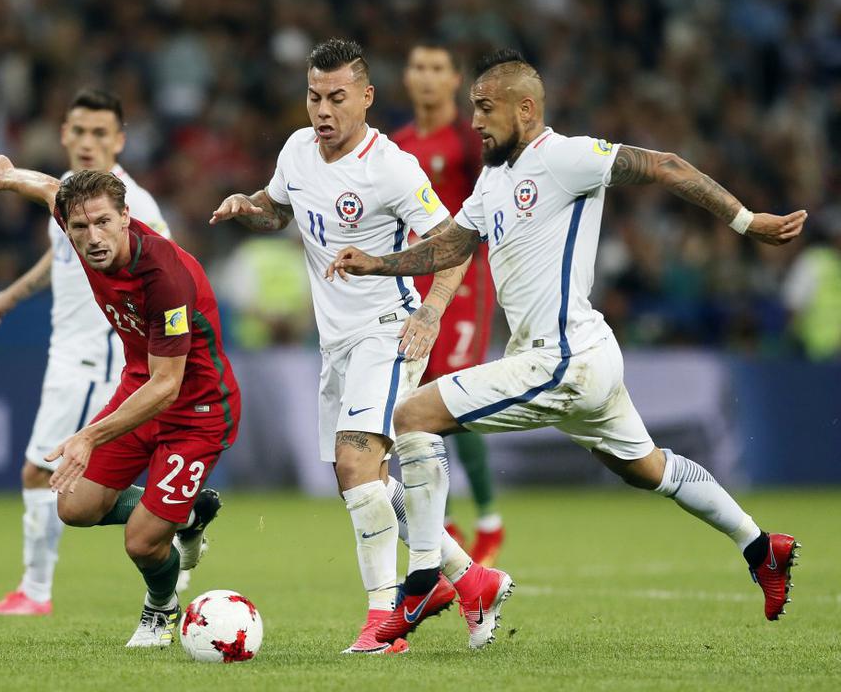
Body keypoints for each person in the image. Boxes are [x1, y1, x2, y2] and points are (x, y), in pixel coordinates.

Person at [327, 48, 805, 639]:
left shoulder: (565, 157)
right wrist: (380, 263)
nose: (474, 121)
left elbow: (665, 164)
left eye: (485, 108)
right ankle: (760, 546)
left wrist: (747, 221)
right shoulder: (493, 179)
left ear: (525, 109)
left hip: (562, 361)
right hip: (578, 357)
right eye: (473, 108)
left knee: (411, 416)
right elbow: (451, 245)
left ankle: (426, 577)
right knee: (647, 469)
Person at [211, 38, 510, 652]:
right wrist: (249, 207)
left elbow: (454, 243)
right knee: (360, 480)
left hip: (387, 329)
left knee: (355, 465)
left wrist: (431, 311)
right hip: (336, 342)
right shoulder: (297, 150)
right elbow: (278, 209)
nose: (323, 110)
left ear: (367, 97)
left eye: (337, 98)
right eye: (314, 97)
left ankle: (384, 621)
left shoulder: (391, 167)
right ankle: (469, 578)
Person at [0, 154, 240, 647]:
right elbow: (50, 188)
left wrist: (88, 437)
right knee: (73, 505)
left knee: (141, 542)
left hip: (197, 410)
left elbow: (168, 385)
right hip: (140, 388)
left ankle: (160, 609)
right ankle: (187, 513)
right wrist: (8, 178)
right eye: (80, 227)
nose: (92, 237)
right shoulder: (78, 222)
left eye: (102, 223)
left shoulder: (163, 275)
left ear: (125, 217)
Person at [0, 90, 195, 618]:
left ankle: (35, 591)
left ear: (120, 140)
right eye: (79, 130)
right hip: (68, 352)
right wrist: (11, 295)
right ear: (64, 135)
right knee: (58, 478)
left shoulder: (132, 203)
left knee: (40, 472)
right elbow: (62, 256)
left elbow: (168, 268)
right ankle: (180, 511)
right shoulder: (74, 196)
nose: (88, 141)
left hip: (98, 359)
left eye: (100, 132)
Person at [392, 42, 503, 565]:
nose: (427, 77)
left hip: (465, 284)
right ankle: (448, 524)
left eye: (438, 68)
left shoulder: (469, 141)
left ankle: (489, 523)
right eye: (419, 67)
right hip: (412, 285)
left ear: (456, 79)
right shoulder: (397, 145)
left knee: (456, 397)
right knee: (416, 404)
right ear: (406, 76)